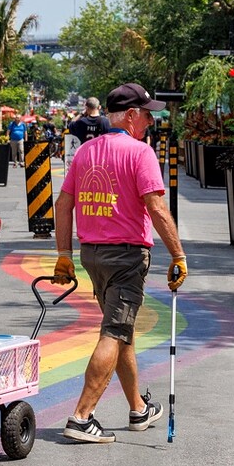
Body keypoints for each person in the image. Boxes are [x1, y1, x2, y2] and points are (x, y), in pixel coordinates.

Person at [52, 82, 188, 443]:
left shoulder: (86, 152)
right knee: (114, 332)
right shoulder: (140, 153)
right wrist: (178, 255)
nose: (150, 120)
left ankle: (137, 409)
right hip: (126, 256)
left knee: (120, 329)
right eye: (146, 114)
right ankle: (82, 417)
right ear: (131, 116)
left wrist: (64, 255)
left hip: (92, 254)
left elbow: (63, 205)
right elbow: (157, 209)